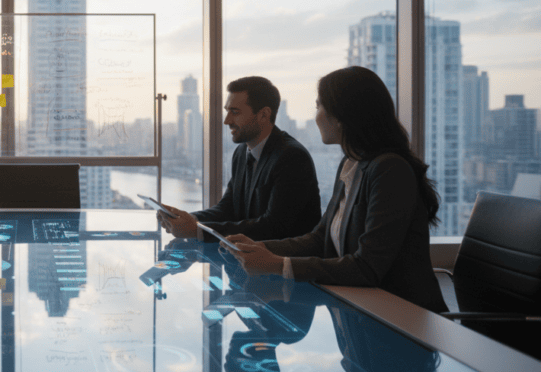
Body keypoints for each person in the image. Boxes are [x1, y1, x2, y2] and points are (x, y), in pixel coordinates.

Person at [226, 66, 448, 314]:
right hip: (361, 310)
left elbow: (367, 267)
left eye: (319, 106)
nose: (316, 116)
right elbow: (320, 238)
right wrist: (263, 248)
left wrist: (279, 265)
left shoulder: (390, 170)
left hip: (402, 319)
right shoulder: (351, 163)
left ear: (342, 116)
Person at [161, 76, 321, 241]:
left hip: (282, 262)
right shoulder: (241, 152)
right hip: (249, 259)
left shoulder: (292, 158)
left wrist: (197, 231)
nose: (227, 120)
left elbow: (273, 226)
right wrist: (188, 219)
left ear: (264, 115)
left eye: (235, 112)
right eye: (227, 111)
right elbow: (228, 208)